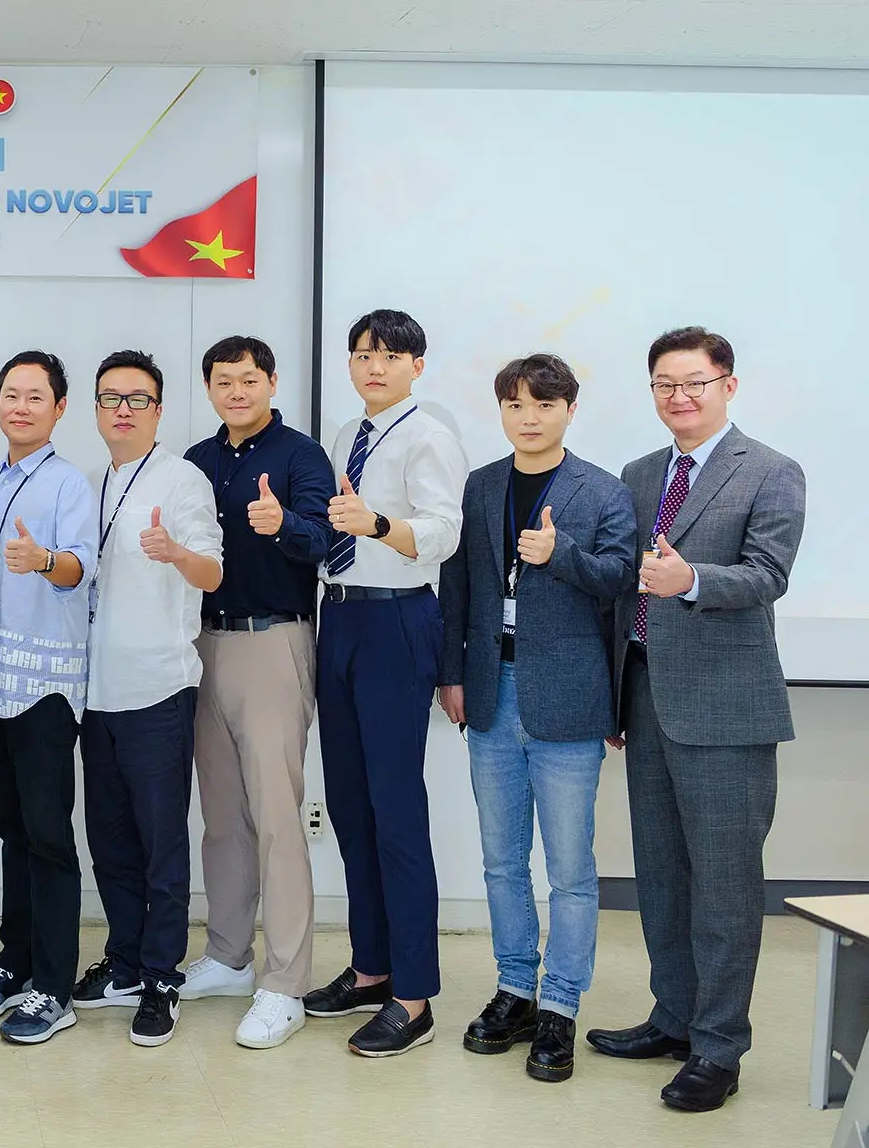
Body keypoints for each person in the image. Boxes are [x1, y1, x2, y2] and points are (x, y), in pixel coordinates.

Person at [586, 327, 805, 1113]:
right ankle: (673, 1018)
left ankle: (718, 1048)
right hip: (646, 696)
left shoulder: (771, 471)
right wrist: (613, 695)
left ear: (727, 386)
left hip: (726, 707)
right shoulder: (640, 474)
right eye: (664, 384)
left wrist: (690, 581)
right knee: (662, 875)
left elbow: (767, 575)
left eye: (694, 383)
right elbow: (622, 589)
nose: (679, 396)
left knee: (724, 887)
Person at [438, 353, 635, 1083]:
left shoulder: (604, 490)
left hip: (570, 699)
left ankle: (560, 1005)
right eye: (515, 404)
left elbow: (620, 581)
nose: (529, 417)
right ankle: (515, 988)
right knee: (500, 860)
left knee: (571, 870)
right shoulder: (481, 485)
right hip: (492, 690)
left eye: (544, 405)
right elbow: (457, 584)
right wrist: (452, 673)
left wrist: (562, 553)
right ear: (501, 410)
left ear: (569, 411)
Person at [303, 309, 467, 1058]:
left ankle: (414, 995)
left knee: (396, 810)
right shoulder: (347, 434)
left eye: (391, 356)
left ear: (417, 366)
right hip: (338, 617)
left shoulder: (429, 435)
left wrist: (375, 525)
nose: (375, 367)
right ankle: (371, 968)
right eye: (364, 354)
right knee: (349, 803)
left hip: (397, 620)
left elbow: (441, 535)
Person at [182, 335, 335, 1050]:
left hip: (274, 641)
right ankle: (227, 955)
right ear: (209, 388)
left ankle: (285, 983)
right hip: (201, 644)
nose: (236, 392)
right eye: (224, 381)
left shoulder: (301, 456)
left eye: (249, 379)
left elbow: (327, 540)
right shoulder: (197, 461)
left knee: (276, 816)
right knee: (221, 814)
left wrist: (285, 526)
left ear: (272, 382)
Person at [73, 351, 222, 1049]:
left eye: (138, 399)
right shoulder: (90, 483)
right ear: (96, 410)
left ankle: (162, 976)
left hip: (158, 687)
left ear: (158, 411)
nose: (123, 410)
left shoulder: (181, 478)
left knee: (161, 842)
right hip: (95, 692)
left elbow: (213, 572)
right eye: (111, 398)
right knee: (110, 841)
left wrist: (175, 553)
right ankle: (126, 962)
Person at [0, 350, 99, 1046]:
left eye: (35, 396)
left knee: (48, 834)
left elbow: (79, 570)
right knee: (10, 828)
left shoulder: (70, 483)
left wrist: (43, 560)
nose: (20, 406)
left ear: (59, 408)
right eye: (10, 394)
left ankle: (54, 986)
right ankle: (14, 962)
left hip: (44, 684)